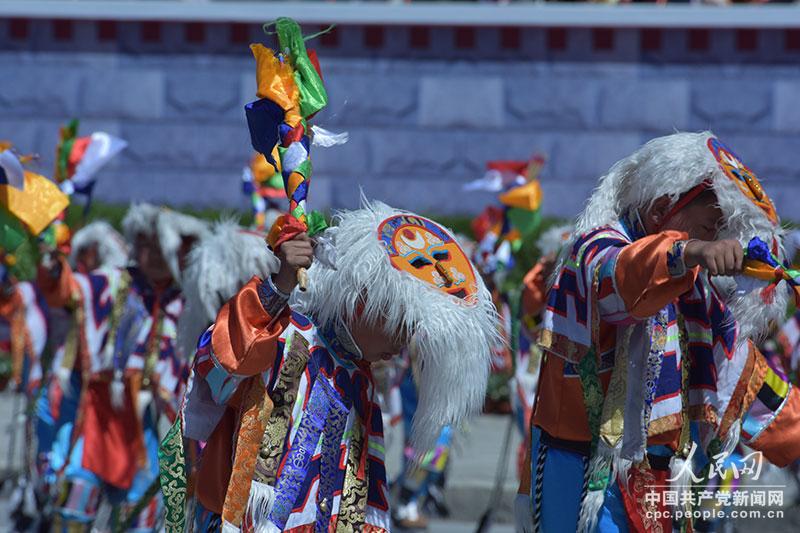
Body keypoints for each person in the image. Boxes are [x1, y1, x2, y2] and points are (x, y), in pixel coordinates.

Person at [516, 132, 800, 532]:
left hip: (655, 483)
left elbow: (742, 379)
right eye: (706, 225)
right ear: (663, 207)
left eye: (715, 233)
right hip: (584, 478)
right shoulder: (596, 248)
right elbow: (619, 279)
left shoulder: (694, 293)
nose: (712, 239)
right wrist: (687, 252)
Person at [170, 200, 499, 532]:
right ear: (363, 298)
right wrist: (280, 283)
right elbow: (221, 363)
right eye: (401, 320)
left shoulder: (361, 381)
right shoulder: (286, 335)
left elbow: (365, 487)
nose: (405, 339)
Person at [36, 204, 207, 531]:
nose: (154, 254)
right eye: (145, 244)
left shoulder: (190, 301)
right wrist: (52, 261)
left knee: (142, 515)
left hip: (153, 427)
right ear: (133, 245)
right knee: (74, 501)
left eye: (162, 246)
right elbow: (67, 291)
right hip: (101, 416)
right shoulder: (114, 281)